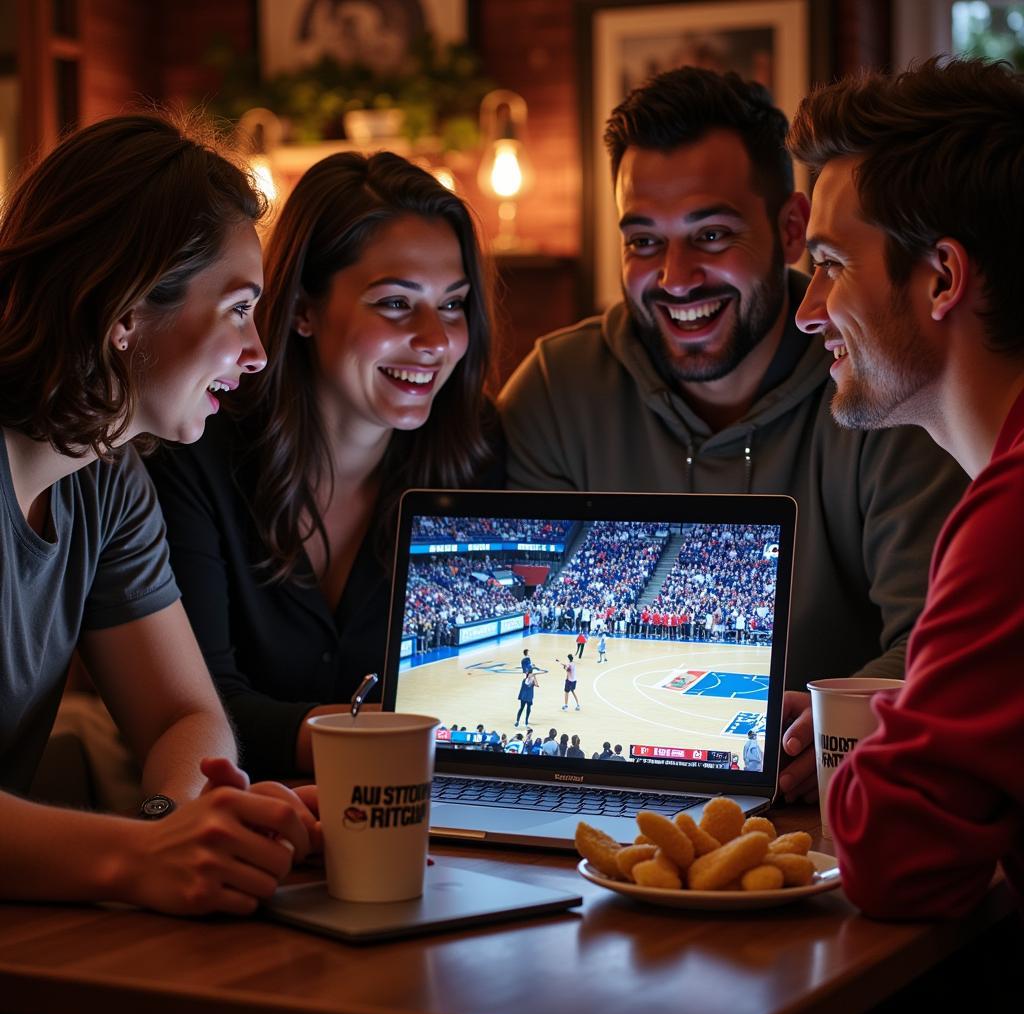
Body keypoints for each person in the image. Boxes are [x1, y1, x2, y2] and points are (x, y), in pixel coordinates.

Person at [497, 67, 966, 742]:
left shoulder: (880, 384)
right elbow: (531, 617)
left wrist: (836, 730)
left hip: (826, 799)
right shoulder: (554, 389)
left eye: (711, 235)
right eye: (643, 242)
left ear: (790, 229)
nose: (675, 278)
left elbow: (934, 641)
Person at [0, 113, 317, 915]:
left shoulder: (106, 480)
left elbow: (182, 715)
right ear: (126, 312)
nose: (258, 353)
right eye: (239, 308)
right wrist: (142, 855)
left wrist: (182, 822)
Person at [147, 151, 502, 781]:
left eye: (453, 305)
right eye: (396, 304)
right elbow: (199, 708)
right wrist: (381, 737)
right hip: (239, 818)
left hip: (416, 811)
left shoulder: (476, 449)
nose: (436, 339)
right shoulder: (197, 445)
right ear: (304, 310)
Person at [779, 57, 1024, 920]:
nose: (809, 310)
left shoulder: (1011, 516)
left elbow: (894, 856)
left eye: (832, 263)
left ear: (943, 279)